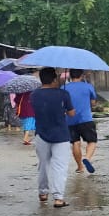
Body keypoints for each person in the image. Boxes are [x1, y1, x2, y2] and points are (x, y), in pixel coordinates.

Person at [30, 67, 75, 208]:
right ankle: (58, 198)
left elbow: (36, 111)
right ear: (54, 79)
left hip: (41, 134)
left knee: (43, 164)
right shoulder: (63, 94)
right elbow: (72, 113)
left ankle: (43, 193)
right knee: (60, 166)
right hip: (61, 135)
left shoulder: (34, 95)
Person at [65, 68, 98, 174]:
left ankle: (80, 167)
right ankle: (87, 158)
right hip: (86, 119)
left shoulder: (64, 88)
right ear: (81, 75)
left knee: (75, 142)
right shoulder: (88, 86)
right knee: (92, 141)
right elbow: (93, 103)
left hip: (70, 120)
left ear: (70, 75)